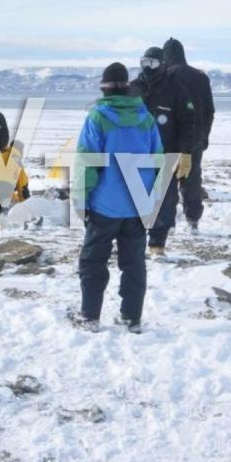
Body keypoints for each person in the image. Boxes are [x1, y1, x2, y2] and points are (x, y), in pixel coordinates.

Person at [71, 63, 162, 333]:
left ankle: (89, 316)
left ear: (104, 88)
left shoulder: (98, 118)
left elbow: (87, 163)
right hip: (136, 205)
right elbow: (158, 161)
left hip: (104, 205)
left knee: (93, 261)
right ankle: (131, 318)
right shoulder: (146, 119)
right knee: (134, 263)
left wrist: (81, 200)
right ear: (127, 87)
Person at [129, 40, 198, 255]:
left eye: (152, 62)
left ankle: (157, 244)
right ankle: (133, 241)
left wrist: (186, 152)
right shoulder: (132, 89)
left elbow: (188, 122)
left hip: (167, 152)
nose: (147, 67)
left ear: (162, 64)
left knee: (165, 201)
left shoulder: (176, 90)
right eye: (144, 62)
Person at [158, 38, 214, 233]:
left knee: (168, 180)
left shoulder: (165, 76)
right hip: (195, 138)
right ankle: (193, 220)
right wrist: (204, 135)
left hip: (170, 138)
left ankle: (168, 222)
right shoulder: (200, 77)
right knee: (192, 178)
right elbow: (209, 111)